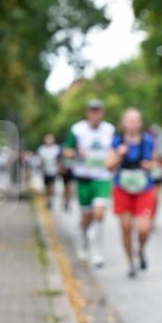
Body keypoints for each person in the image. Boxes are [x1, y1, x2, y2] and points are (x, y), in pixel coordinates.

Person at [62, 99, 116, 267]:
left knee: (99, 214)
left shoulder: (110, 130)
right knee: (86, 217)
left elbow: (115, 151)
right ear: (87, 113)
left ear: (102, 113)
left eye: (98, 111)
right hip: (84, 177)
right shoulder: (77, 130)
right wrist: (78, 153)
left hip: (102, 177)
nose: (95, 114)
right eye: (92, 111)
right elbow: (66, 150)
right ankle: (84, 240)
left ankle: (97, 251)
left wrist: (113, 161)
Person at [107, 108, 157, 278]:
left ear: (140, 123)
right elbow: (109, 166)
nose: (133, 123)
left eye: (136, 120)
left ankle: (141, 249)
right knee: (126, 228)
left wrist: (150, 166)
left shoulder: (148, 141)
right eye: (129, 120)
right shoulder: (116, 141)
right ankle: (131, 263)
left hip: (144, 188)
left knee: (144, 228)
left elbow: (156, 162)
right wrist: (119, 155)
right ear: (123, 123)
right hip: (122, 188)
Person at [37, 133, 61, 208]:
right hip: (45, 170)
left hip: (54, 170)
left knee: (52, 184)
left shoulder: (56, 148)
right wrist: (41, 168)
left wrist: (59, 168)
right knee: (47, 186)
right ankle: (48, 198)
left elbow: (58, 159)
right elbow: (40, 159)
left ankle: (51, 199)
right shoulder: (42, 149)